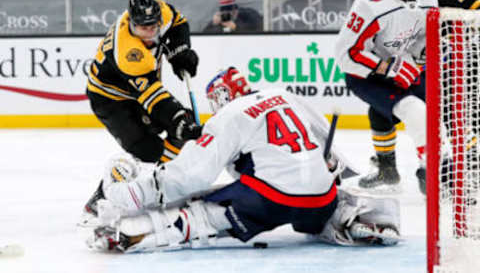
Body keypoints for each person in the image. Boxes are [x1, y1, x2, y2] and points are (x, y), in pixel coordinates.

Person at [85, 67, 401, 253]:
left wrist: (140, 192)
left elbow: (192, 175)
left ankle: (128, 233)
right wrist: (331, 177)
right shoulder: (286, 96)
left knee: (203, 212)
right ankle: (346, 217)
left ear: (222, 98)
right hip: (319, 198)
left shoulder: (230, 114)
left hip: (271, 199)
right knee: (319, 201)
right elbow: (332, 157)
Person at [82, 0, 202, 222]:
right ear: (131, 22)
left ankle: (160, 186)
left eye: (153, 27)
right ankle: (102, 197)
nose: (149, 33)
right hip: (110, 99)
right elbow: (153, 97)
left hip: (138, 91)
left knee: (181, 127)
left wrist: (179, 51)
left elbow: (178, 24)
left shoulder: (162, 12)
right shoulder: (128, 52)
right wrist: (177, 122)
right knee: (148, 149)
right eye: (141, 28)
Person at [361, 0, 480, 193]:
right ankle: (387, 169)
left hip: (439, 65)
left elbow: (472, 9)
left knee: (451, 116)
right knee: (379, 111)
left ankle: (468, 171)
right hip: (403, 66)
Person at [335, 0, 438, 193]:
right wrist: (389, 68)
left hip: (403, 65)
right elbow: (346, 53)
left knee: (430, 107)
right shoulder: (370, 3)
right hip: (366, 74)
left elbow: (423, 38)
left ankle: (386, 169)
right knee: (415, 110)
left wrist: (419, 57)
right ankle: (429, 171)